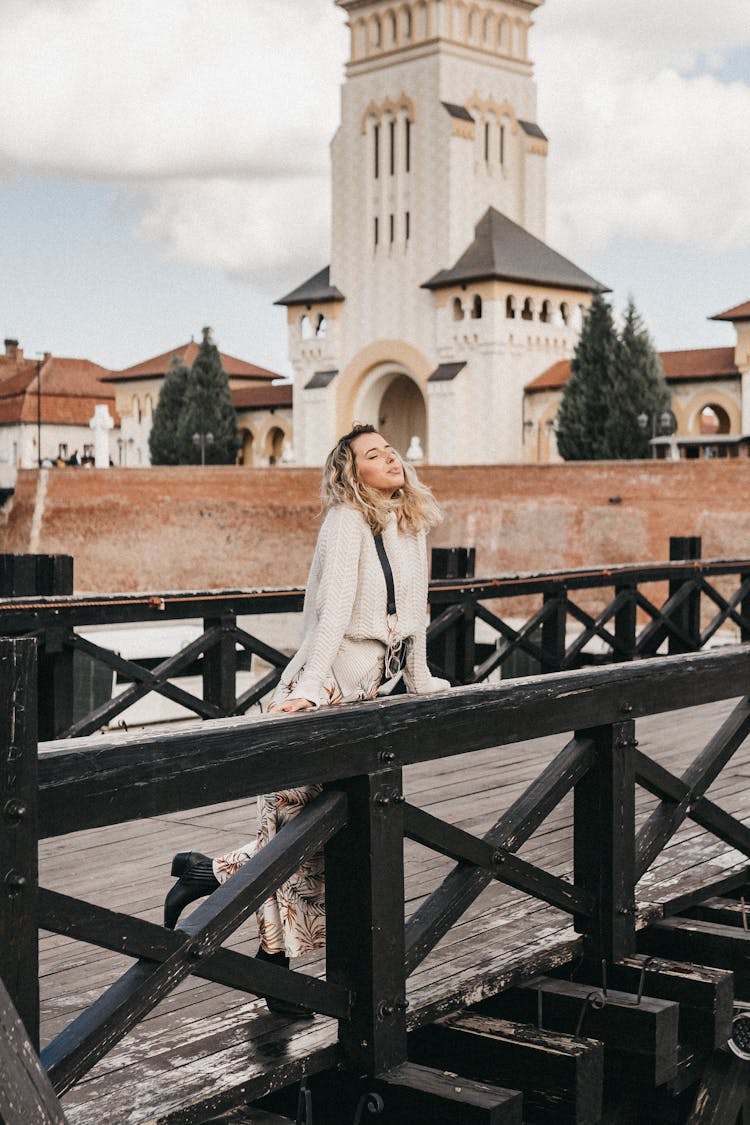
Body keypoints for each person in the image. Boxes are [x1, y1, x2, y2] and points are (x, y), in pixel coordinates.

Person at [163, 424, 448, 1015]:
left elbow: (416, 611)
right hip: (323, 691)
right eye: (373, 455)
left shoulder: (412, 521)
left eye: (390, 449)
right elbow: (331, 615)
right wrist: (309, 691)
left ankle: (206, 875)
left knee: (319, 835)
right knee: (294, 839)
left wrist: (419, 681)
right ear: (352, 472)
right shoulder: (346, 522)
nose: (390, 457)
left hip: (369, 695)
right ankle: (274, 968)